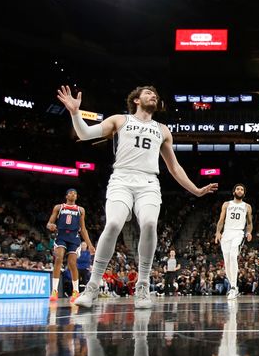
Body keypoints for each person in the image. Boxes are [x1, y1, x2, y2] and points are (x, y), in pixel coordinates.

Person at [57, 85, 218, 309]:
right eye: (148, 93)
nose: (153, 95)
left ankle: (142, 286)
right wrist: (75, 112)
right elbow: (84, 134)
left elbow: (174, 168)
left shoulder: (162, 130)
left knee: (150, 224)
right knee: (113, 224)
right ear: (136, 100)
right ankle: (93, 286)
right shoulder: (119, 120)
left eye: (155, 94)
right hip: (121, 179)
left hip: (149, 182)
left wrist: (196, 190)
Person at [46, 188, 95, 302]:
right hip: (61, 236)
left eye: (75, 193)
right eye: (71, 193)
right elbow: (49, 223)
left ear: (76, 197)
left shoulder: (80, 210)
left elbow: (83, 229)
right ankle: (54, 291)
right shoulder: (59, 207)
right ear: (66, 196)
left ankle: (76, 291)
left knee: (72, 263)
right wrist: (50, 226)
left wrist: (90, 245)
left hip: (74, 237)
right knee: (58, 258)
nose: (73, 194)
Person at [215, 183, 253, 300]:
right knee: (226, 261)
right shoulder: (227, 204)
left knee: (232, 255)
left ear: (244, 193)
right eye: (238, 189)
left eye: (242, 189)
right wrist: (218, 232)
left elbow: (249, 223)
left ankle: (233, 287)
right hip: (226, 233)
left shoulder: (247, 206)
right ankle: (233, 287)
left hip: (238, 233)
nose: (240, 190)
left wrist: (249, 232)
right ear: (234, 192)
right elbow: (221, 220)